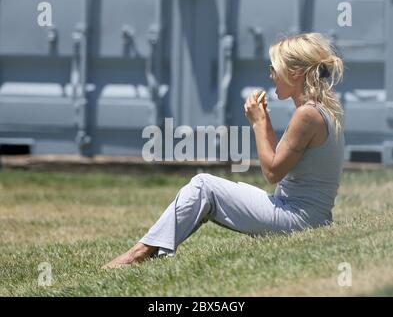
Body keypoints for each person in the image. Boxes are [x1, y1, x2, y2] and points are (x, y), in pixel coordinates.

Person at [102, 32, 345, 269]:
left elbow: (272, 172)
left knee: (203, 185)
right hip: (308, 216)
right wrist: (264, 121)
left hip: (298, 220)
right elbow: (277, 164)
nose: (271, 75)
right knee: (209, 189)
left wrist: (258, 123)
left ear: (295, 73)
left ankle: (140, 253)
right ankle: (151, 248)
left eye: (274, 68)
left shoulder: (307, 114)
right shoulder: (321, 110)